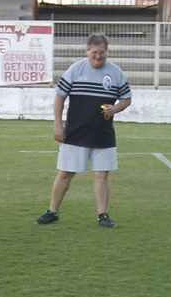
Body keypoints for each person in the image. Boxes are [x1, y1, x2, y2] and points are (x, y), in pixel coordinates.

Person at [37, 32, 131, 228]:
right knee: (65, 173)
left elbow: (126, 98)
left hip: (102, 134)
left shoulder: (115, 72)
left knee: (102, 174)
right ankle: (52, 211)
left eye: (102, 53)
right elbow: (60, 97)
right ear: (87, 51)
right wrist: (57, 124)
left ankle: (102, 215)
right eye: (95, 52)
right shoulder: (76, 69)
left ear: (107, 52)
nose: (98, 56)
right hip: (75, 133)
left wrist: (116, 108)